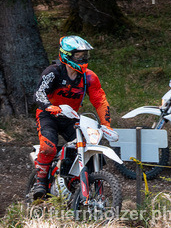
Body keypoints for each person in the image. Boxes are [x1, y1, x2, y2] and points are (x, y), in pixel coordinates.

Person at [29, 35, 117, 200]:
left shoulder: (89, 77)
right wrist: (51, 107)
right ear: (67, 55)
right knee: (48, 148)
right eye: (78, 55)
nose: (83, 58)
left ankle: (79, 181)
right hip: (49, 115)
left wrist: (106, 125)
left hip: (71, 118)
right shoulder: (53, 72)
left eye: (84, 55)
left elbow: (100, 101)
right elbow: (39, 93)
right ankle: (40, 181)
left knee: (90, 147)